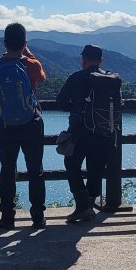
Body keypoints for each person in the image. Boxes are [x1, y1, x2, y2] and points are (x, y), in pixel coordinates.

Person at [0, 23, 47, 229]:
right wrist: (28, 54)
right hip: (32, 122)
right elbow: (42, 78)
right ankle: (37, 217)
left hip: (7, 124)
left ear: (4, 43)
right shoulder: (32, 64)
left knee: (7, 170)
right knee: (35, 170)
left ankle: (7, 217)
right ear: (24, 43)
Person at [56, 44, 123, 223]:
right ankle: (89, 206)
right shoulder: (110, 79)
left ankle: (82, 206)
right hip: (104, 131)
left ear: (84, 59)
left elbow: (60, 101)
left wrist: (75, 108)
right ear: (101, 60)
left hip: (80, 131)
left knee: (71, 164)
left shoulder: (76, 77)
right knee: (96, 169)